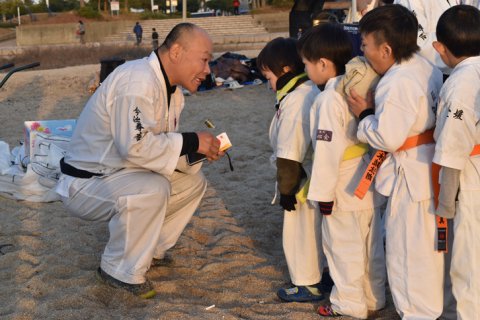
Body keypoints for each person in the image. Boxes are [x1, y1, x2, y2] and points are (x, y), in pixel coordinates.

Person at [55, 23, 224, 299]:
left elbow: (160, 148)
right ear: (177, 52)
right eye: (204, 59)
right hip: (86, 183)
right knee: (153, 188)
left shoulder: (173, 92)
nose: (208, 70)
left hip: (119, 173)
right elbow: (134, 147)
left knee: (193, 181)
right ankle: (117, 269)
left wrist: (197, 152)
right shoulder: (137, 81)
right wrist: (192, 141)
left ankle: (150, 250)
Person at [347, 5, 444, 319]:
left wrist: (364, 116)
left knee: (407, 255)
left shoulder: (396, 81)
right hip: (430, 167)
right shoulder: (424, 64)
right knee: (431, 251)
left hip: (410, 175)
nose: (363, 51)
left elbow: (387, 137)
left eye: (365, 45)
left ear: (385, 49)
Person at [298, 23, 386, 318]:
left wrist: (322, 194)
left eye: (307, 65)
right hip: (368, 181)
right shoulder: (360, 87)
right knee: (370, 248)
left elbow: (326, 151)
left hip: (343, 186)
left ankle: (348, 305)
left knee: (342, 249)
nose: (307, 71)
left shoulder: (328, 99)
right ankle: (374, 298)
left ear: (322, 63)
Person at [256, 37, 327, 303]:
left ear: (285, 69)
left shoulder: (298, 99)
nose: (268, 82)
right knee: (314, 229)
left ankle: (307, 283)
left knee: (300, 233)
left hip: (300, 180)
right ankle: (318, 276)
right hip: (309, 176)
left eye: (268, 75)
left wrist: (287, 190)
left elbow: (290, 152)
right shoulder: (301, 92)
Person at [432, 5, 480, 320]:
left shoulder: (461, 83)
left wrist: (445, 205)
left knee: (468, 263)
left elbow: (452, 148)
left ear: (439, 47)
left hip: (471, 179)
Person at [394, 0, 460, 75]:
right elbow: (419, 40)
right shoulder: (410, 1)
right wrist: (457, 56)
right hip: (431, 69)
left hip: (453, 63)